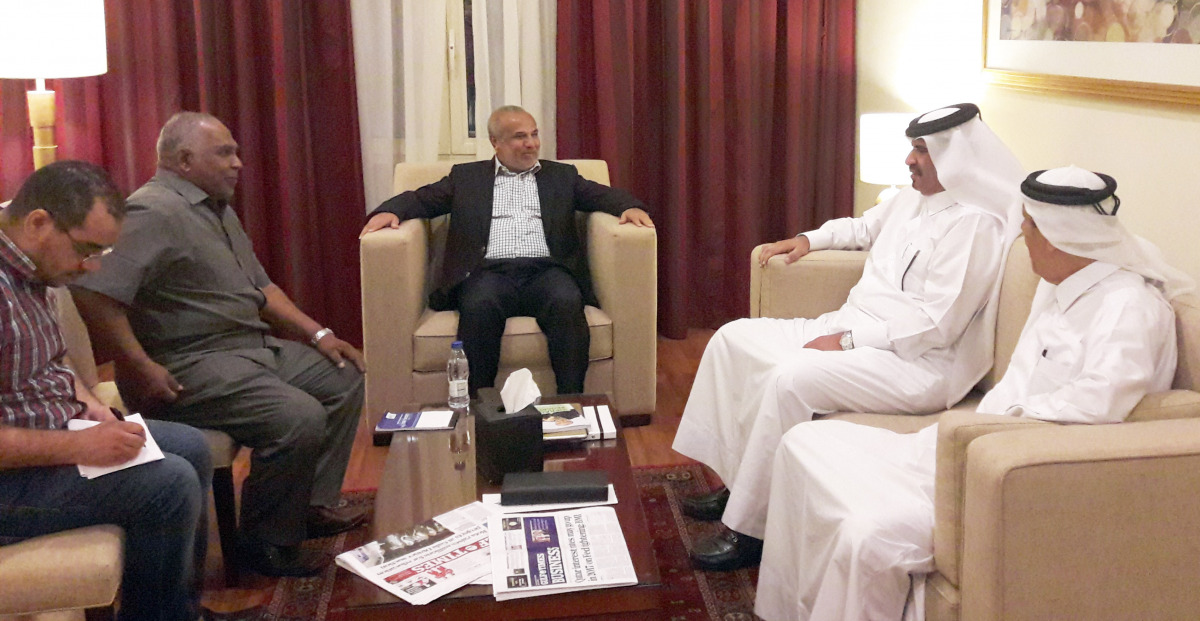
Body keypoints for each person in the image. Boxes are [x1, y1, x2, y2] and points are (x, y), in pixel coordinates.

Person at [753, 166, 1194, 621]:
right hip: (967, 440)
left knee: (867, 532)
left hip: (1006, 468)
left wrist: (986, 428)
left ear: (1061, 237)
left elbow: (1096, 409)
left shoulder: (1127, 308)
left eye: (1030, 226)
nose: (1023, 235)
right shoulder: (1062, 285)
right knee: (802, 444)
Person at [672, 103, 1027, 571]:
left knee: (790, 380)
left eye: (921, 150)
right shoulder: (912, 199)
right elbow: (863, 227)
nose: (909, 160)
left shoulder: (976, 225)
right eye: (912, 148)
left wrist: (847, 342)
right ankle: (741, 485)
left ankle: (750, 530)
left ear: (955, 156)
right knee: (732, 339)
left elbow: (937, 326)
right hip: (849, 326)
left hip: (917, 363)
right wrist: (809, 239)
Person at [69, 112, 367, 577]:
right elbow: (94, 292)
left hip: (251, 348)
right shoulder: (151, 211)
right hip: (190, 362)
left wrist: (321, 334)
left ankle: (306, 507)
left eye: (236, 153)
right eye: (224, 153)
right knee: (298, 416)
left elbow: (262, 289)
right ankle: (264, 544)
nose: (238, 163)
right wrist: (140, 364)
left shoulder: (216, 208)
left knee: (342, 376)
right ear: (185, 160)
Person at [0, 161, 213, 621]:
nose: (92, 267)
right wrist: (80, 445)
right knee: (169, 486)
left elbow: (51, 363)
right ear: (38, 222)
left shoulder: (32, 269)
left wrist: (92, 407)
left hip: (50, 439)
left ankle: (179, 611)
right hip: (9, 481)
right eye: (86, 250)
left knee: (191, 447)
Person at [359, 105, 654, 396]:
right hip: (488, 272)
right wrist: (389, 211)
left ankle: (571, 402)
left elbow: (602, 195)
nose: (531, 143)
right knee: (478, 306)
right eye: (520, 137)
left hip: (547, 271)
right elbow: (423, 199)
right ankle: (481, 405)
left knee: (566, 301)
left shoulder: (561, 176)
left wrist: (630, 207)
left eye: (534, 134)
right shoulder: (467, 177)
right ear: (495, 142)